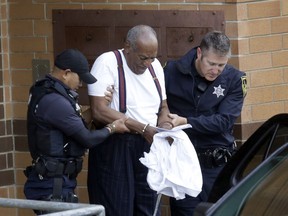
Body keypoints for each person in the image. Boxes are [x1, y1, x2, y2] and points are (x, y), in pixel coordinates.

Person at [24, 48, 128, 215]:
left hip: (56, 181)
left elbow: (69, 124)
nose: (81, 85)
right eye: (80, 79)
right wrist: (112, 128)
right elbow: (87, 139)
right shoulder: (54, 101)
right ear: (66, 73)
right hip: (52, 185)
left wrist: (97, 109)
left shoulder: (49, 92)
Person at [87, 25, 176, 216]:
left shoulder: (155, 67)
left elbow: (163, 106)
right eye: (143, 57)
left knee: (149, 207)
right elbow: (99, 111)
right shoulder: (107, 62)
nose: (148, 63)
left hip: (148, 143)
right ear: (127, 47)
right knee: (116, 208)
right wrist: (142, 127)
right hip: (116, 145)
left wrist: (165, 125)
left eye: (153, 58)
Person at [164, 31, 247, 215]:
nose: (215, 70)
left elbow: (223, 121)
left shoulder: (235, 79)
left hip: (216, 168)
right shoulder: (171, 71)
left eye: (221, 65)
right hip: (183, 165)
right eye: (211, 63)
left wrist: (185, 121)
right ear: (199, 53)